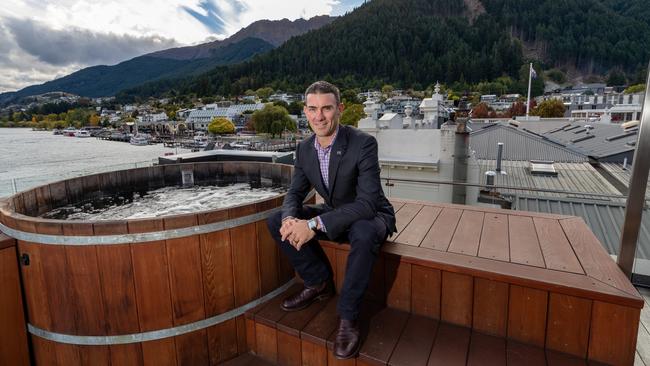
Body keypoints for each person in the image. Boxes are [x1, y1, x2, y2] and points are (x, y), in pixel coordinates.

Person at [267, 80, 396, 359]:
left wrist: (313, 225)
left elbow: (366, 203)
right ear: (305, 111)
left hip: (370, 215)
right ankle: (317, 282)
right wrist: (291, 218)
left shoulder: (363, 144)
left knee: (362, 232)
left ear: (340, 109)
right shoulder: (304, 149)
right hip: (334, 213)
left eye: (326, 108)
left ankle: (348, 318)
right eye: (312, 109)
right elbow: (295, 192)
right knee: (275, 219)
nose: (319, 116)